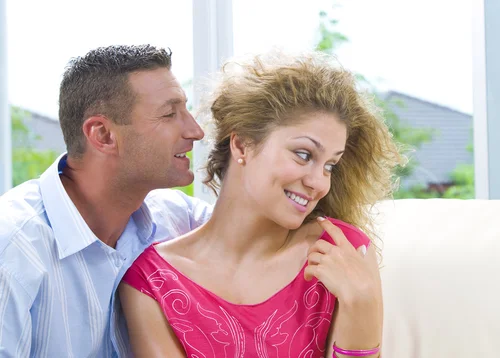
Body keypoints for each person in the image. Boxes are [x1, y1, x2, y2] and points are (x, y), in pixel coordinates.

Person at [119, 51, 402, 357]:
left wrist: (363, 306)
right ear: (242, 144)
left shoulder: (341, 253)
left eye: (330, 166)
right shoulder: (152, 282)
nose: (319, 183)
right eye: (304, 155)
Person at [0, 45, 212, 357]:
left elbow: (262, 227)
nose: (195, 131)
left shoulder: (179, 219)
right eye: (169, 114)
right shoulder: (13, 248)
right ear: (102, 135)